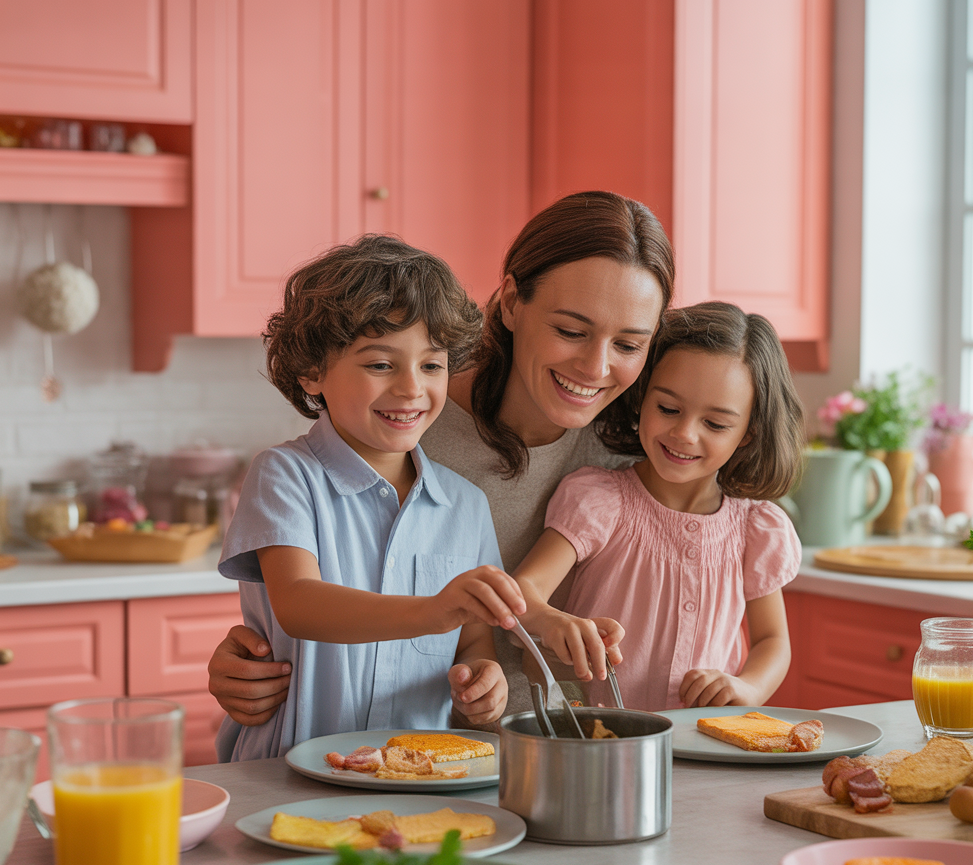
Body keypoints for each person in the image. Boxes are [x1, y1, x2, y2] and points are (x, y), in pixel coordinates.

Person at [208, 190, 676, 733]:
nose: (595, 367)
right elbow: (299, 600)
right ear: (510, 301)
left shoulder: (647, 445)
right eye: (570, 331)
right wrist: (245, 660)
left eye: (629, 345)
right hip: (375, 748)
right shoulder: (400, 425)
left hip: (527, 748)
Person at [215, 235, 526, 760]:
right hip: (288, 772)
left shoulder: (466, 504)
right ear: (313, 371)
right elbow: (299, 604)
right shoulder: (284, 475)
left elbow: (473, 641)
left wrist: (482, 682)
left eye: (431, 366)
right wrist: (432, 611)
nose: (411, 388)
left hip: (415, 777)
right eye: (381, 364)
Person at [513, 302, 805, 711]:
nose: (684, 433)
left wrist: (749, 689)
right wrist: (552, 621)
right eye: (668, 409)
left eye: (715, 424)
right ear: (641, 398)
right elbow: (524, 590)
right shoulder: (599, 501)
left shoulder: (755, 529)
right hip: (601, 737)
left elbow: (773, 641)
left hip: (703, 741)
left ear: (747, 434)